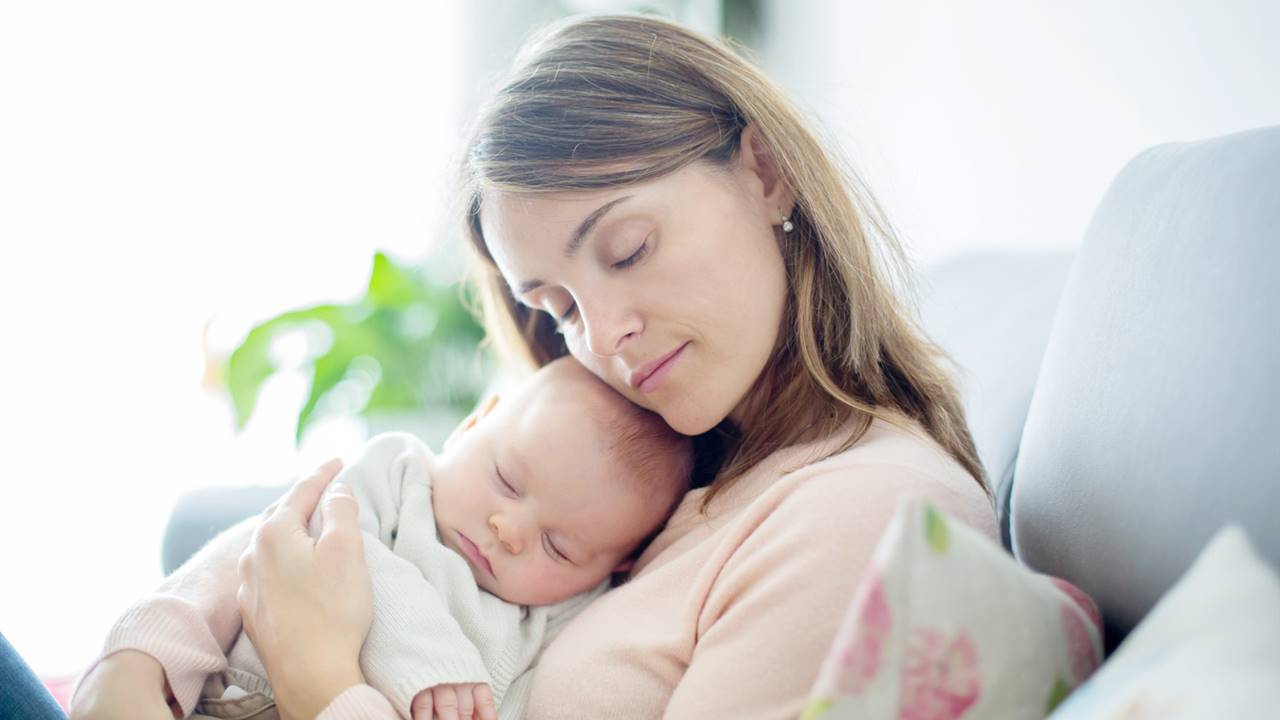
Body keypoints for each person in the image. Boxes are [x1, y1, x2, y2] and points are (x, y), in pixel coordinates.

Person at [70, 12, 997, 720]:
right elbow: (315, 534)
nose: (605, 338)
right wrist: (133, 660)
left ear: (763, 172)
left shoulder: (867, 518)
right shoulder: (663, 452)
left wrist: (322, 680)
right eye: (556, 306)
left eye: (628, 248)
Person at [79, 358, 692, 720]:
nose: (508, 530)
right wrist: (142, 659)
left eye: (559, 547)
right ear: (474, 423)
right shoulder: (395, 476)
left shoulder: (554, 630)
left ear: (618, 566)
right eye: (505, 480)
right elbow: (263, 556)